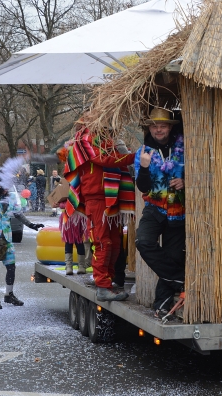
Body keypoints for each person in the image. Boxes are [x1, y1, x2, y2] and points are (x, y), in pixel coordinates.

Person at [60, 114, 136, 301]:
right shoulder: (84, 141)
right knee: (103, 241)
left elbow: (110, 158)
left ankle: (107, 281)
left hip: (111, 195)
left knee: (115, 242)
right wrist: (134, 157)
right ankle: (102, 285)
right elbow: (105, 160)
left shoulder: (105, 141)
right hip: (96, 197)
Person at [134, 108, 185, 318]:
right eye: (154, 126)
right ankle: (179, 278)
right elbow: (143, 187)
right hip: (154, 208)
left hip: (178, 210)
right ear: (150, 129)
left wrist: (185, 181)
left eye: (163, 126)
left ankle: (161, 305)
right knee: (143, 241)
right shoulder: (143, 152)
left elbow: (198, 172)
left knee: (173, 256)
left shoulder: (184, 148)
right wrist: (145, 167)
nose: (158, 130)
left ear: (170, 127)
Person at [0, 172, 44, 310]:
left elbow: (18, 214)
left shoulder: (11, 197)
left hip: (6, 236)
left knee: (11, 266)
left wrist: (31, 225)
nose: (7, 188)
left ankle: (9, 294)